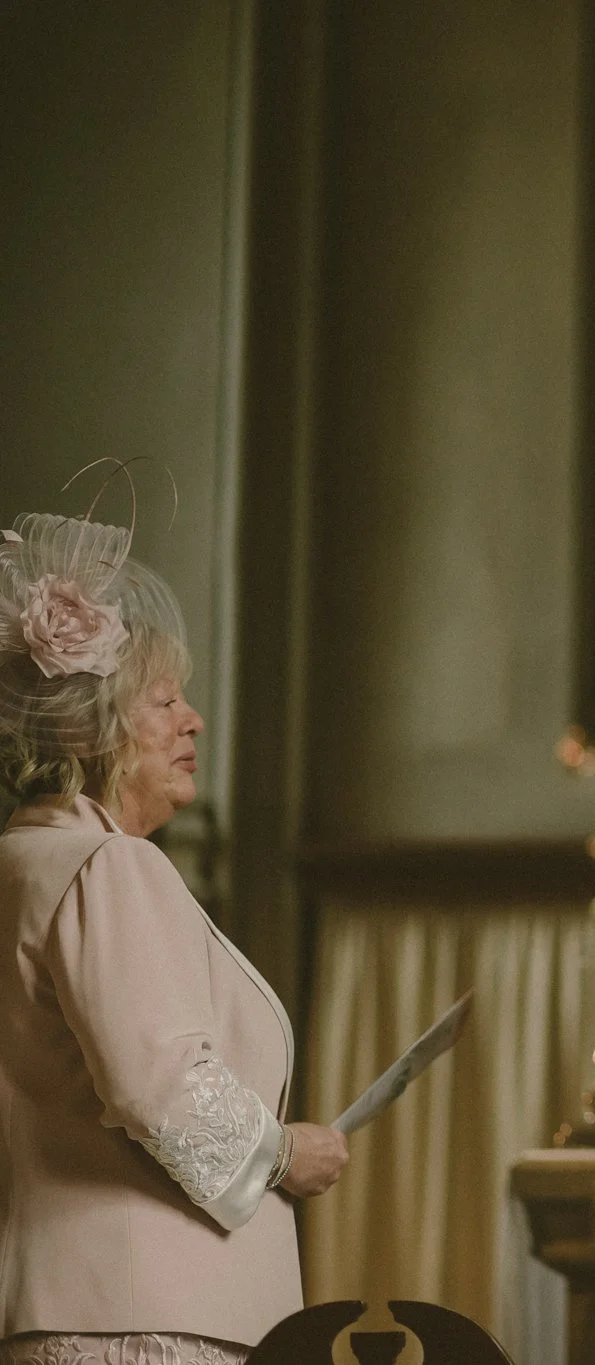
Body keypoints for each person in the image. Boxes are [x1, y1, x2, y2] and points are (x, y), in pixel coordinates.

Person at [0, 511, 348, 1365]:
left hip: (55, 1301)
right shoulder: (108, 866)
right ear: (97, 728)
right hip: (148, 1316)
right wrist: (282, 1154)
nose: (194, 720)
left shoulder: (20, 861)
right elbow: (161, 1088)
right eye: (164, 701)